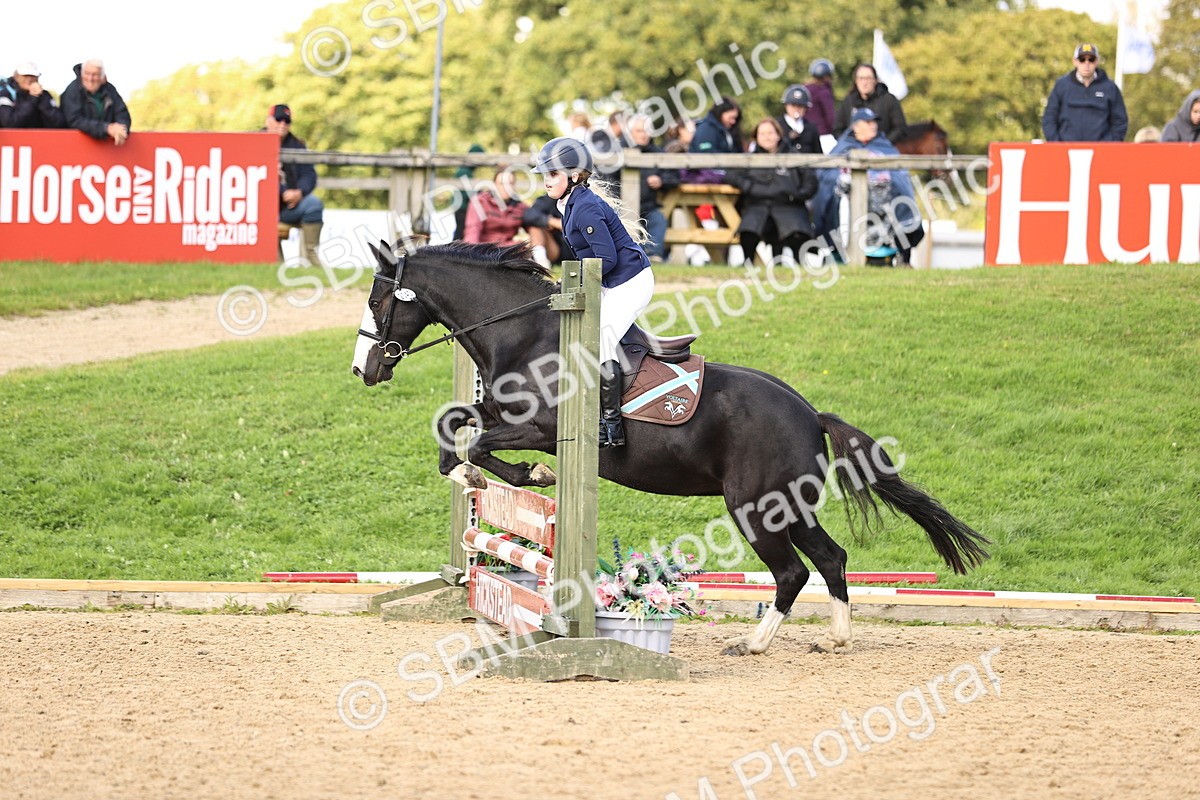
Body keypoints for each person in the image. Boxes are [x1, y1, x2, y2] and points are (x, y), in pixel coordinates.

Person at [532, 137, 654, 448]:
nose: (546, 181)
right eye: (545, 175)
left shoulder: (584, 208)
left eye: (553, 174)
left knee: (600, 339)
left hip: (630, 281)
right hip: (610, 279)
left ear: (574, 175)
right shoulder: (570, 204)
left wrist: (577, 278)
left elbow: (607, 259)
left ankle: (611, 426)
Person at [814, 108, 925, 266]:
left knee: (901, 194)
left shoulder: (884, 145)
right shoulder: (844, 146)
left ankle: (901, 253)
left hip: (884, 203)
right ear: (855, 126)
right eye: (868, 122)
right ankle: (837, 249)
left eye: (874, 122)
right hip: (847, 202)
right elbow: (828, 174)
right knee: (831, 194)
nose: (873, 126)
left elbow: (899, 175)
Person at [725, 118, 818, 267]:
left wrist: (798, 195)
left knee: (796, 232)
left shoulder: (794, 156)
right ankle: (748, 263)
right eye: (762, 134)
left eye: (770, 132)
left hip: (789, 206)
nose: (767, 137)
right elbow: (731, 175)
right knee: (748, 231)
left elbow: (810, 181)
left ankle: (799, 263)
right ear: (756, 137)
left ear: (778, 135)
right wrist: (750, 187)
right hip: (758, 206)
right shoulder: (749, 159)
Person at [264, 103, 325, 267]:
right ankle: (276, 266)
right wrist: (280, 189)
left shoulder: (297, 145)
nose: (282, 124)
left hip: (288, 207)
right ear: (268, 120)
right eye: (278, 119)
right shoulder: (254, 142)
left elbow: (309, 175)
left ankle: (310, 261)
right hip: (262, 209)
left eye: (287, 121)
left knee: (314, 204)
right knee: (263, 216)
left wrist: (298, 192)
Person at [1041, 44, 1128, 142]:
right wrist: (1057, 144)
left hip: (1102, 152)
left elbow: (1120, 121)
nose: (1086, 63)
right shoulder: (1062, 86)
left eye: (1091, 59)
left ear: (1097, 62)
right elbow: (1049, 118)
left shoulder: (1110, 88)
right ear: (1075, 62)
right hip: (1065, 151)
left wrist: (1109, 145)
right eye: (1082, 59)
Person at [627, 114, 679, 262]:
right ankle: (633, 258)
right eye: (639, 131)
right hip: (623, 208)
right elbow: (609, 179)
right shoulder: (619, 151)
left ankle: (653, 256)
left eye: (646, 131)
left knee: (659, 219)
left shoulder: (659, 153)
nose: (643, 135)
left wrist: (661, 180)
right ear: (630, 133)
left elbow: (675, 177)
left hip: (649, 207)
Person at [60, 59, 130, 145]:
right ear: (81, 74)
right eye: (87, 73)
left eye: (95, 75)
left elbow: (123, 114)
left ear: (102, 77)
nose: (90, 78)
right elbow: (74, 120)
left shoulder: (110, 90)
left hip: (108, 150)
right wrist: (106, 128)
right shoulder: (72, 90)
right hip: (75, 146)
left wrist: (121, 129)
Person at [833, 63, 906, 141]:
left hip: (884, 150)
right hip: (853, 150)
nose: (864, 83)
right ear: (856, 81)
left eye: (868, 78)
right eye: (861, 78)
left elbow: (900, 128)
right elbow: (837, 130)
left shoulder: (889, 100)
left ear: (875, 80)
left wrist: (884, 145)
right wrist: (849, 145)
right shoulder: (848, 102)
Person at [462, 169, 529, 246]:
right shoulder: (480, 202)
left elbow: (533, 226)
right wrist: (471, 252)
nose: (506, 188)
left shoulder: (521, 207)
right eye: (501, 184)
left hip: (507, 250)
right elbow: (473, 230)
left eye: (510, 184)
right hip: (483, 250)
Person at [0, 61, 64, 129]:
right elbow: (9, 123)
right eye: (25, 75)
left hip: (41, 138)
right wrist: (33, 98)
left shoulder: (45, 95)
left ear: (37, 78)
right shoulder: (6, 94)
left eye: (32, 76)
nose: (29, 79)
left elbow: (59, 123)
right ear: (16, 77)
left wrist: (41, 99)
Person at [776, 84, 822, 154]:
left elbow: (818, 153)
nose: (796, 109)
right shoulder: (777, 125)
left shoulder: (811, 127)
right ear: (786, 106)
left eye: (800, 106)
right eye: (793, 105)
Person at [804, 58, 837, 137]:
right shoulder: (824, 92)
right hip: (823, 134)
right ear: (827, 76)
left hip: (806, 133)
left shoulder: (805, 89)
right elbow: (830, 118)